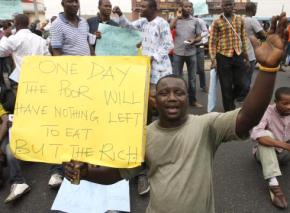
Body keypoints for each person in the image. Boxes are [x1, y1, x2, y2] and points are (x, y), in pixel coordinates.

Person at [64, 13, 289, 213]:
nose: (172, 97)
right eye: (164, 93)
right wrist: (85, 174)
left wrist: (268, 70)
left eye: (179, 93)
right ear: (154, 100)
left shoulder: (206, 126)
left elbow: (248, 117)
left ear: (187, 98)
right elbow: (117, 174)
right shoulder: (142, 136)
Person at [251, 87, 290, 209]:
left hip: (285, 154)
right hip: (265, 153)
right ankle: (274, 185)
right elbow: (256, 134)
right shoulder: (267, 111)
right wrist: (285, 145)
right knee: (265, 136)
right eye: (285, 103)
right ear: (276, 102)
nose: (289, 107)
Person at [209, 0, 249, 112]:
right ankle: (228, 111)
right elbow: (212, 42)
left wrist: (246, 56)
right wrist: (213, 60)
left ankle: (230, 100)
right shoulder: (217, 22)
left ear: (233, 6)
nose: (228, 7)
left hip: (238, 54)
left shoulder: (240, 20)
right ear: (221, 6)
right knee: (226, 86)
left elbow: (243, 39)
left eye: (230, 4)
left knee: (241, 84)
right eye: (225, 5)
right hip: (223, 56)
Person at [170, 1, 203, 108]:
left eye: (190, 7)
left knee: (192, 79)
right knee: (177, 78)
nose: (188, 8)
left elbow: (199, 36)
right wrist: (176, 17)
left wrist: (194, 39)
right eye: (186, 7)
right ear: (181, 8)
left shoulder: (195, 21)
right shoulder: (176, 20)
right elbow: (169, 27)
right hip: (178, 53)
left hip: (191, 52)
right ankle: (177, 101)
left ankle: (193, 101)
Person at [0, 14, 49, 84]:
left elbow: (1, 52)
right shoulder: (40, 39)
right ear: (28, 23)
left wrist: (5, 37)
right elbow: (47, 57)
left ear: (15, 24)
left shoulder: (14, 39)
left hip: (23, 78)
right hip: (40, 76)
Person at [243, 2, 266, 97]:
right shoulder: (252, 20)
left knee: (242, 74)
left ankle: (240, 93)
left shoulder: (241, 19)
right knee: (248, 75)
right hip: (250, 52)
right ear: (253, 10)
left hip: (241, 51)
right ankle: (244, 95)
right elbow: (263, 35)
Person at [195, 15, 209, 93]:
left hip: (199, 47)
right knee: (192, 70)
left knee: (201, 69)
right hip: (190, 48)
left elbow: (205, 31)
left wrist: (201, 39)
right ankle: (191, 88)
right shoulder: (185, 20)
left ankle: (203, 86)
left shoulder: (200, 21)